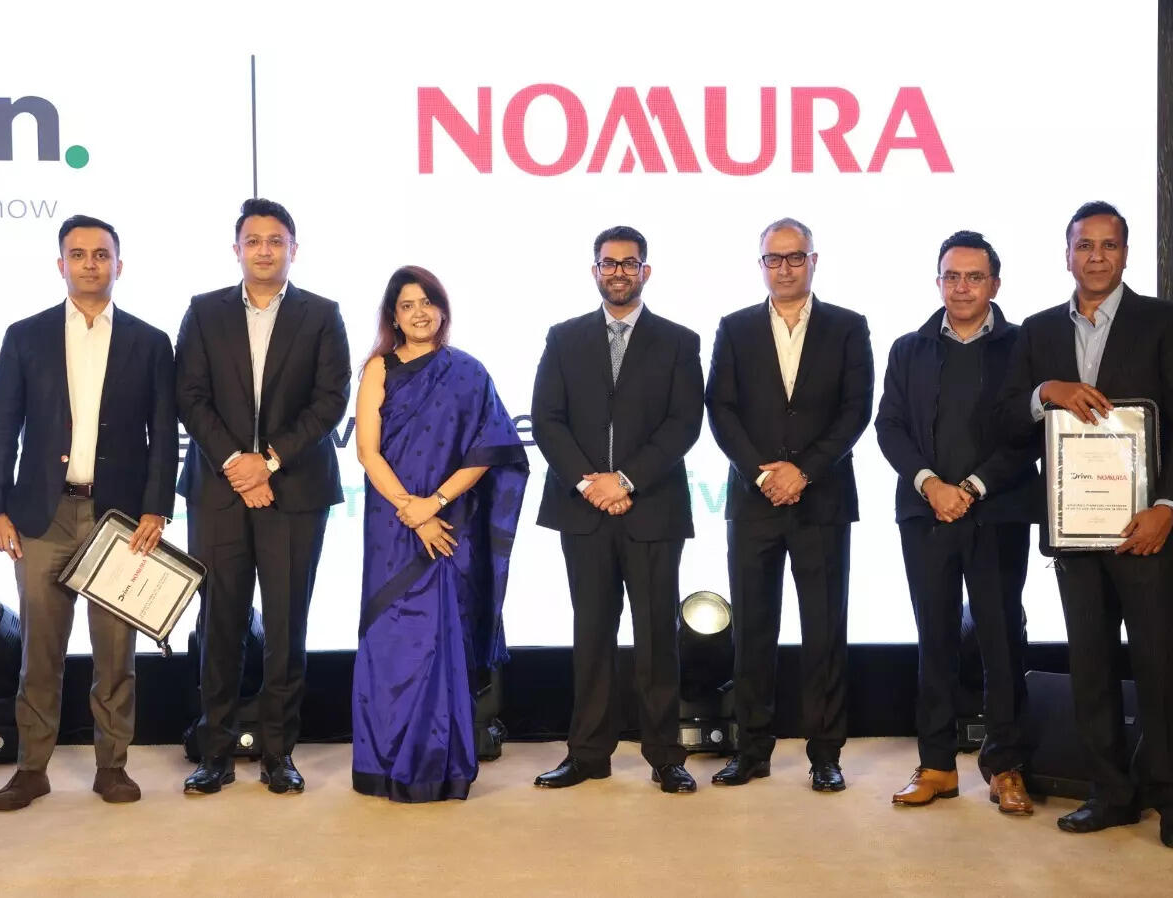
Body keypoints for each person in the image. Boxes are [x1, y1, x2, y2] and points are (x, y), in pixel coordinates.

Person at [996, 201, 1173, 848]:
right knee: (1089, 668)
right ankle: (1110, 794)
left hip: (1148, 529)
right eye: (1084, 245)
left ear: (1125, 254)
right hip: (1075, 531)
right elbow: (1005, 420)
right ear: (1067, 255)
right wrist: (1046, 393)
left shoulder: (1164, 321)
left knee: (1161, 668)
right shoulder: (1038, 331)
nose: (1095, 256)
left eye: (1108, 245)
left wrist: (1168, 508)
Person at [0, 214, 177, 811]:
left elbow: (163, 438)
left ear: (120, 264)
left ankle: (112, 766)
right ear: (60, 263)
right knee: (40, 652)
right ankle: (31, 769)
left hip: (119, 521)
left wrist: (156, 510)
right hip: (42, 517)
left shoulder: (150, 342)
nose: (90, 263)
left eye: (101, 254)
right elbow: (3, 428)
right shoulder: (25, 336)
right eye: (78, 253)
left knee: (116, 655)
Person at [177, 198, 351, 796]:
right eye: (253, 241)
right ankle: (215, 753)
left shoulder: (322, 314)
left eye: (276, 241)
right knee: (218, 625)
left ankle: (279, 753)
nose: (264, 250)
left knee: (285, 625)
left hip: (294, 490)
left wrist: (268, 462)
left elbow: (330, 400)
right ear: (237, 250)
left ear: (293, 249)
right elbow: (189, 395)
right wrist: (236, 463)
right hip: (218, 491)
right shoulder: (204, 312)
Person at [530, 225, 704, 794]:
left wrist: (624, 480)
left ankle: (665, 756)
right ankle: (587, 754)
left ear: (645, 271)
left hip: (652, 509)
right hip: (583, 511)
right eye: (609, 263)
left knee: (657, 639)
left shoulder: (679, 341)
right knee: (591, 635)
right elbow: (547, 419)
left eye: (630, 263)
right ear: (595, 271)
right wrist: (590, 483)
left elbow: (683, 424)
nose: (619, 272)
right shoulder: (563, 338)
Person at [704, 217, 874, 792]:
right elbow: (720, 409)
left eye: (795, 257)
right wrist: (762, 474)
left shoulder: (848, 326)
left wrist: (804, 471)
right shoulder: (734, 327)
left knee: (824, 632)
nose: (784, 268)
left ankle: (825, 754)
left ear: (813, 261)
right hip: (753, 502)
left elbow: (855, 410)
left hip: (822, 500)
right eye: (773, 259)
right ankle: (751, 750)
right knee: (752, 631)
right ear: (761, 266)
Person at [875, 230, 1040, 814]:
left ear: (995, 283)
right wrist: (932, 485)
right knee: (936, 640)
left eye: (974, 277)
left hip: (998, 513)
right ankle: (937, 766)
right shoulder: (908, 348)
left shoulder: (1023, 347)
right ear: (938, 281)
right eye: (952, 276)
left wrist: (971, 488)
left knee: (1001, 640)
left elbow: (1030, 433)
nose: (962, 287)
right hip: (926, 515)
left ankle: (1006, 766)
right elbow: (889, 426)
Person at [350, 266, 528, 802]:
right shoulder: (378, 368)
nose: (419, 313)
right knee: (391, 640)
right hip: (392, 524)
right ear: (393, 315)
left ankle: (438, 764)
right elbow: (367, 452)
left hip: (452, 524)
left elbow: (490, 449)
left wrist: (436, 504)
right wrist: (413, 511)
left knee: (438, 639)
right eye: (407, 305)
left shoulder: (468, 371)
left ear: (443, 309)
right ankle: (382, 763)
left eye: (427, 302)